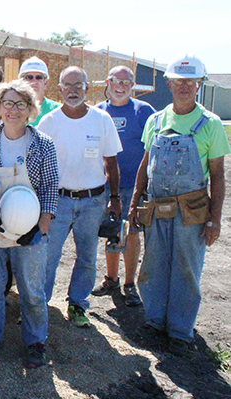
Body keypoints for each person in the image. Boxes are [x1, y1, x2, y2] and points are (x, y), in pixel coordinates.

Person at [129, 54, 229, 356]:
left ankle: (181, 332)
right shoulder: (156, 121)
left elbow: (218, 175)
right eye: (178, 81)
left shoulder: (210, 124)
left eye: (190, 81)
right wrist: (135, 201)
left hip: (192, 211)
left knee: (186, 269)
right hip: (157, 208)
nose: (184, 86)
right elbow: (145, 164)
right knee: (154, 265)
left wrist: (214, 219)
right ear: (169, 84)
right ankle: (154, 321)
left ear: (198, 85)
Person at [0, 81, 58, 368]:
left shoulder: (43, 144)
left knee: (32, 292)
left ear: (31, 110)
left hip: (31, 231)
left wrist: (41, 226)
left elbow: (50, 187)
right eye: (8, 103)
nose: (13, 110)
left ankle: (35, 341)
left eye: (21, 104)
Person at [39, 66, 122, 328]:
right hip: (58, 201)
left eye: (78, 85)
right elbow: (38, 164)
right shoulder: (49, 122)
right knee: (49, 256)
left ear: (88, 88)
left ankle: (77, 304)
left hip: (93, 200)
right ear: (59, 89)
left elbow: (111, 161)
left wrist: (116, 198)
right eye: (67, 85)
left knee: (87, 256)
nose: (73, 91)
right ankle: (38, 306)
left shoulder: (102, 120)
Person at [91, 66, 155, 307]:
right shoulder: (97, 111)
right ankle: (111, 279)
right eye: (116, 80)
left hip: (133, 185)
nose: (120, 85)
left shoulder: (143, 111)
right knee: (110, 232)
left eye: (126, 82)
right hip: (105, 186)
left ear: (132, 86)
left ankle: (130, 284)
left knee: (131, 234)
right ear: (108, 82)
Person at [18, 56, 61, 126]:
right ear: (21, 82)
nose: (34, 81)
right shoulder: (13, 110)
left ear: (46, 83)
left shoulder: (58, 110)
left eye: (39, 77)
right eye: (29, 77)